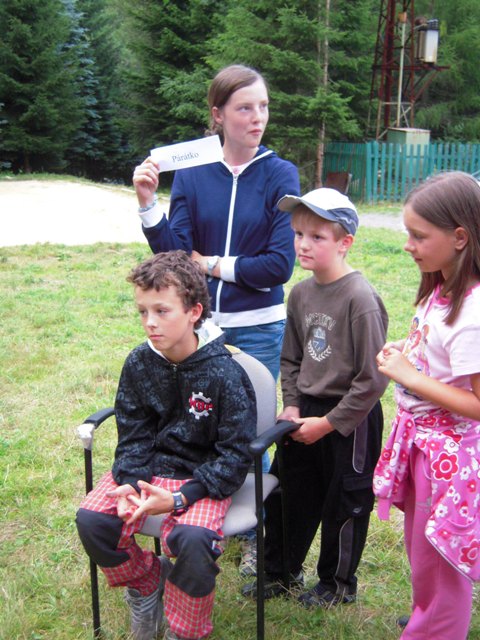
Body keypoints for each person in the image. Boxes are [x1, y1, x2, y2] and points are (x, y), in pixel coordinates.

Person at [132, 63, 300, 576]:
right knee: (196, 424)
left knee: (250, 432)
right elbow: (174, 261)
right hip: (199, 331)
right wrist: (148, 206)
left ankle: (253, 535)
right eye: (245, 108)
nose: (257, 117)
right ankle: (200, 518)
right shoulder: (193, 172)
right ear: (218, 115)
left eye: (263, 106)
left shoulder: (280, 174)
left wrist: (211, 265)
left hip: (259, 326)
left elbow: (279, 265)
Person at [76, 250, 257, 640]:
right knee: (93, 520)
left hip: (201, 480)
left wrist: (178, 499)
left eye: (162, 311)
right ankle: (147, 581)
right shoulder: (139, 363)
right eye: (143, 311)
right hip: (149, 471)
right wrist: (129, 483)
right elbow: (134, 433)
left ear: (194, 312)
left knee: (193, 540)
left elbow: (235, 455)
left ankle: (186, 630)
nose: (150, 322)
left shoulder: (225, 373)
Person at [243, 187, 389, 607]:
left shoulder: (360, 299)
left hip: (349, 417)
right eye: (298, 234)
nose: (303, 244)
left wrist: (328, 424)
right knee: (288, 493)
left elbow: (373, 378)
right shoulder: (300, 294)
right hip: (303, 410)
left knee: (345, 502)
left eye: (317, 237)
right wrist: (292, 404)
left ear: (345, 243)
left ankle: (336, 584)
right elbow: (291, 357)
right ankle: (281, 571)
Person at [373, 171, 480, 639]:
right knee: (424, 554)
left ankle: (435, 627)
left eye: (419, 236)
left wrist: (412, 376)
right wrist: (410, 350)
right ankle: (428, 615)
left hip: (449, 462)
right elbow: (443, 354)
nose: (408, 245)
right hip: (426, 451)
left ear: (459, 237)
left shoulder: (473, 313)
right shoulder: (442, 287)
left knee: (440, 562)